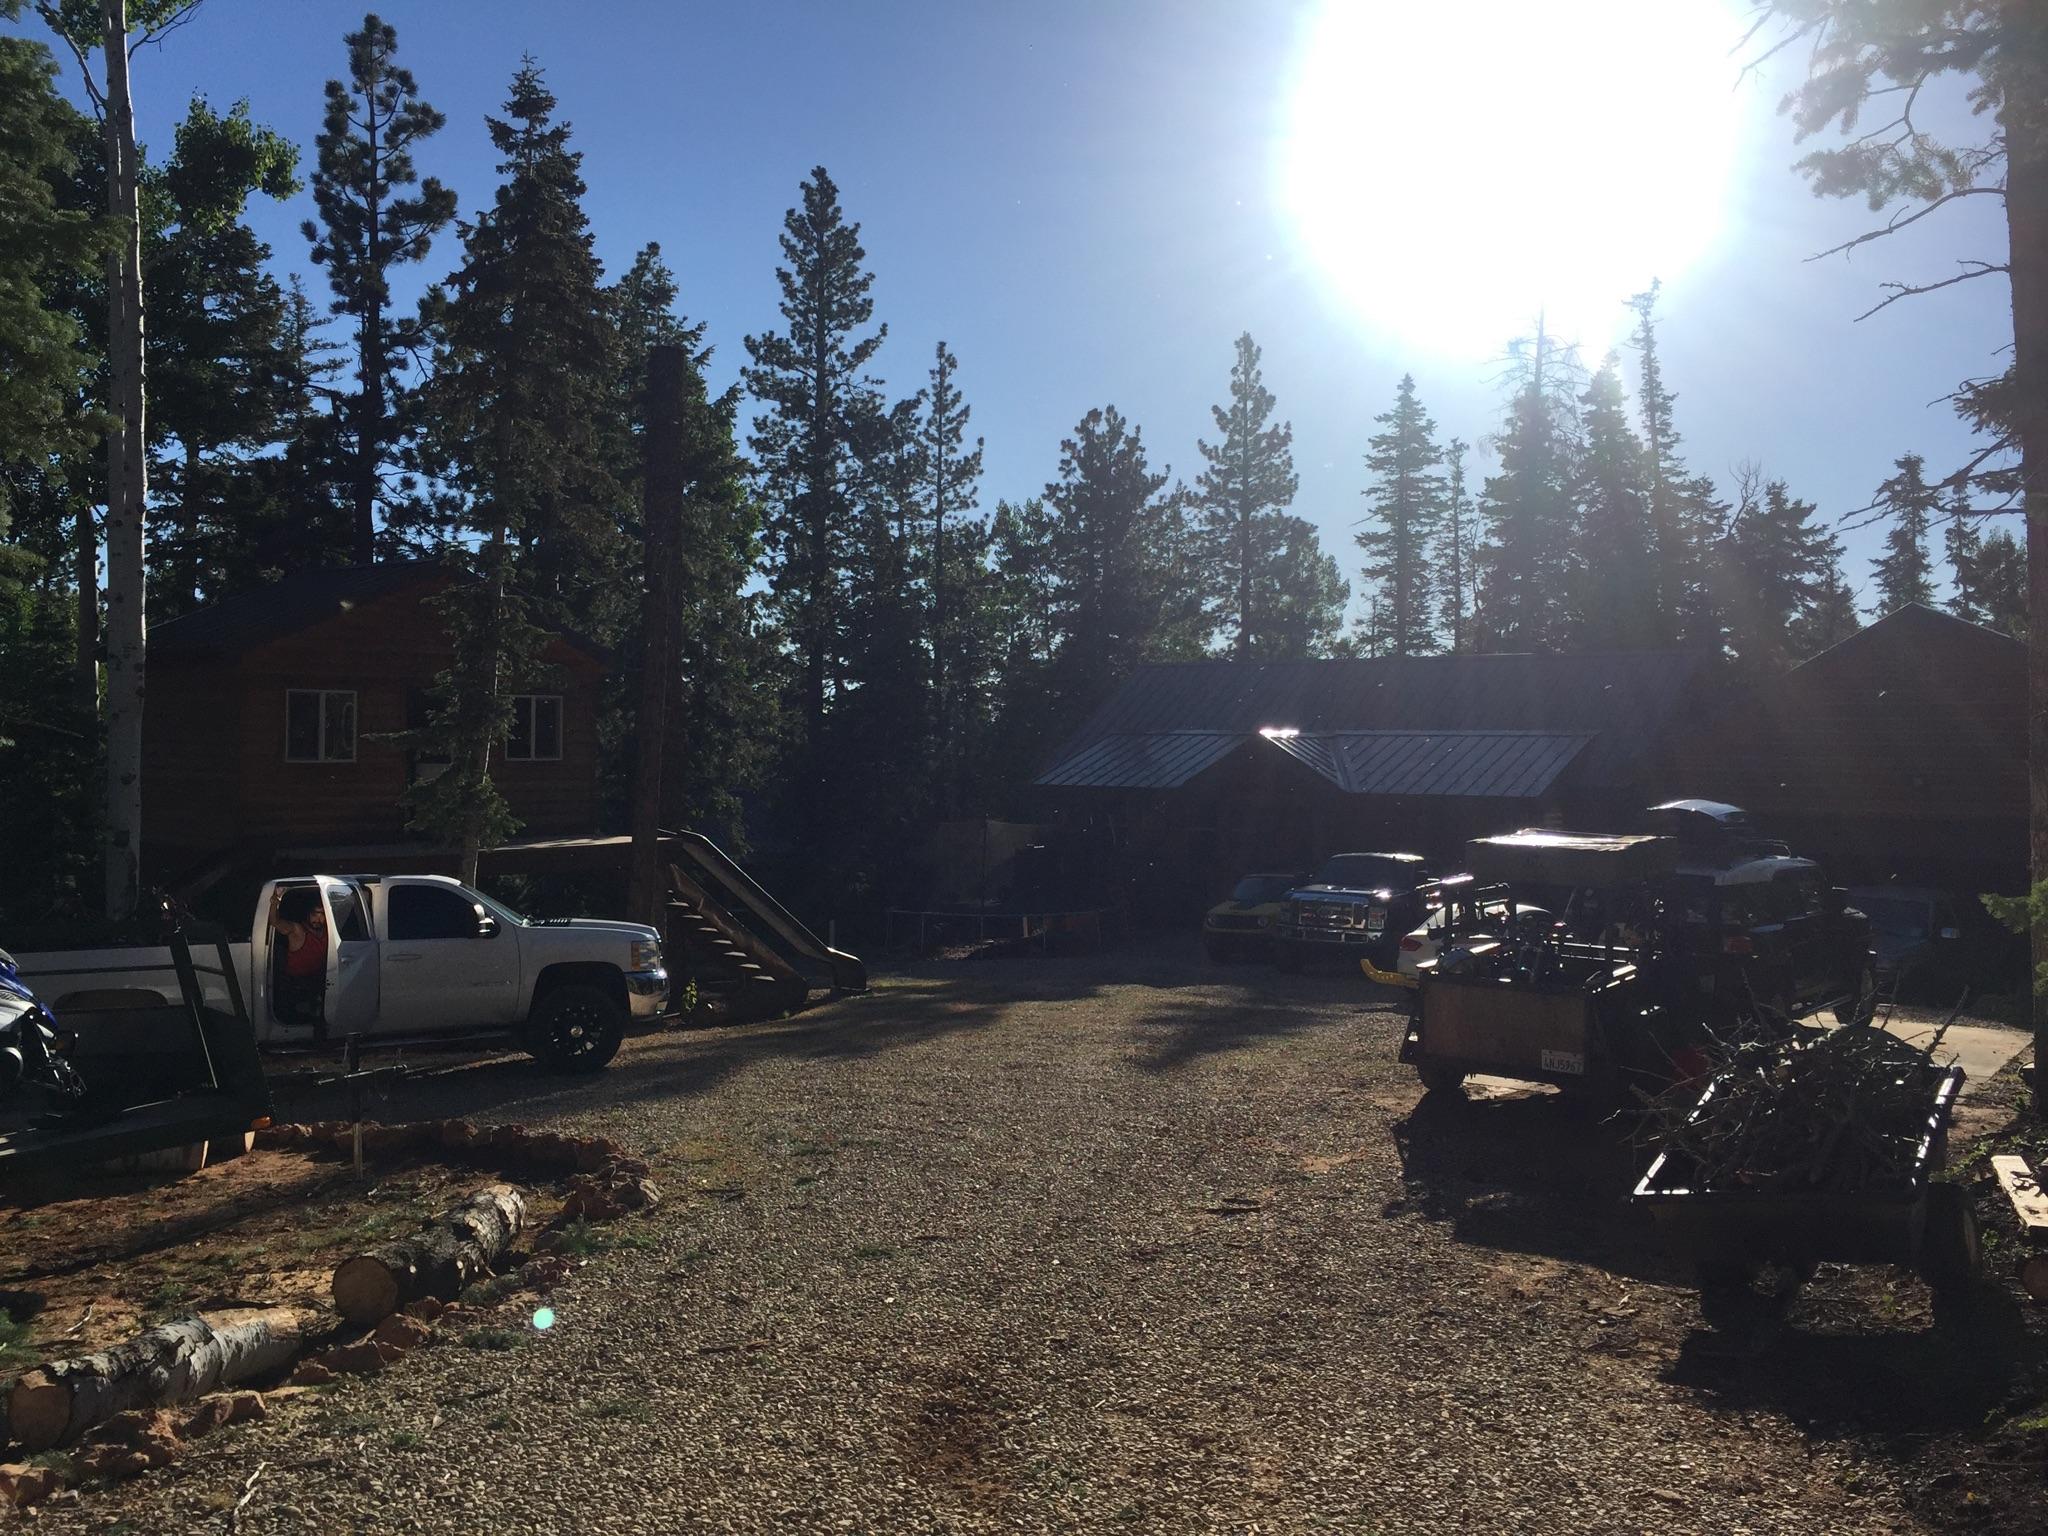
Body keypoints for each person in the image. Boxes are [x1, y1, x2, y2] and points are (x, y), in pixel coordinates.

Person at [271, 888, 328, 1024]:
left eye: (321, 915)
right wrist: (275, 900)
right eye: (314, 914)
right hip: (295, 986)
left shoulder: (329, 933)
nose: (317, 919)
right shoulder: (298, 930)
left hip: (316, 983)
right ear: (308, 915)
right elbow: (275, 922)